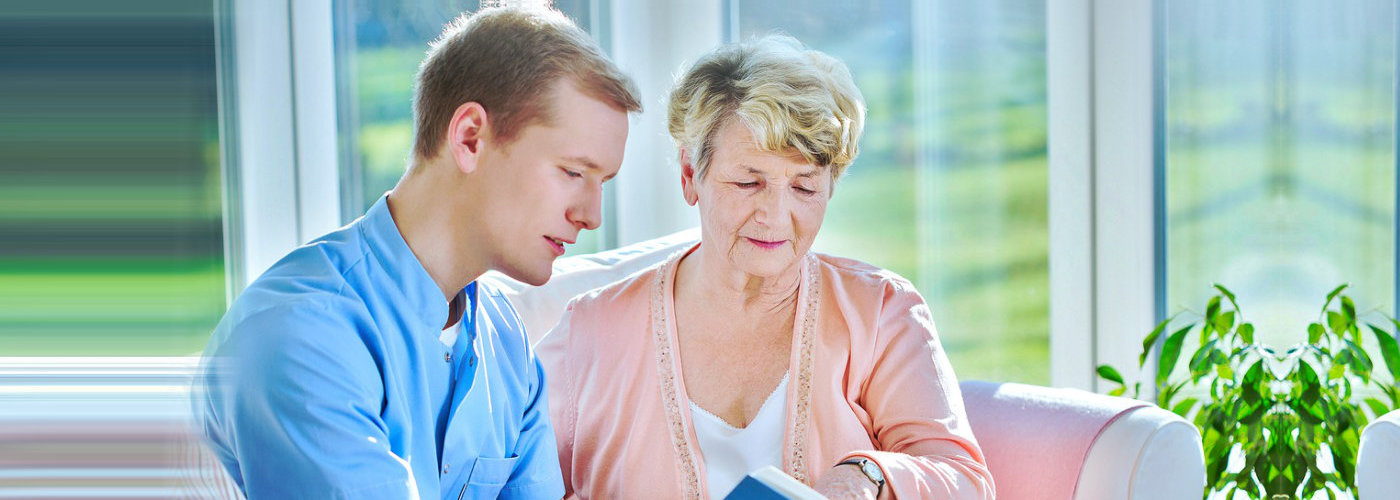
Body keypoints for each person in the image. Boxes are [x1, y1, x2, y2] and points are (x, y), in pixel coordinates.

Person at [191, 3, 641, 498]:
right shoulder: (301, 333)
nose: (591, 215)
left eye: (603, 183)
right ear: (470, 138)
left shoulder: (507, 344)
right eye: (573, 173)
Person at [534, 35, 995, 500]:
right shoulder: (589, 333)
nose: (775, 216)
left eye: (804, 188)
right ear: (691, 176)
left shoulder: (881, 313)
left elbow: (964, 482)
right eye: (748, 182)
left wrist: (867, 476)